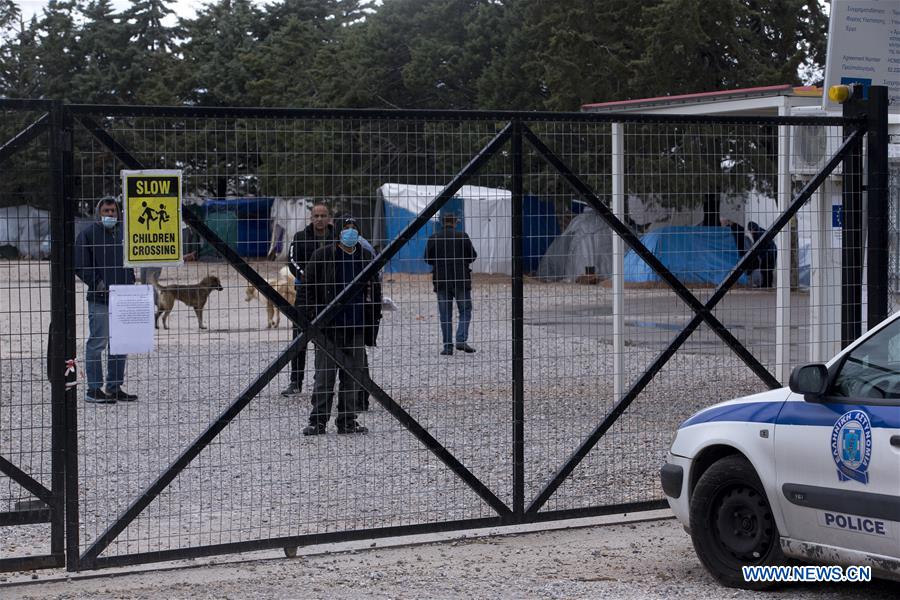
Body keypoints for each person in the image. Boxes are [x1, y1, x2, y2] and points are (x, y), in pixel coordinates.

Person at [298, 217, 381, 435]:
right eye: (346, 228)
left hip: (356, 326)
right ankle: (318, 421)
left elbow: (374, 289)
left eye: (354, 228)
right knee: (324, 377)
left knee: (352, 377)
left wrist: (373, 317)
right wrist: (311, 316)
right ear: (338, 231)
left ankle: (347, 420)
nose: (350, 232)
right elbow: (306, 287)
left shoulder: (365, 257)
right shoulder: (323, 256)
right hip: (328, 328)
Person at [74, 197, 137, 404]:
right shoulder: (88, 234)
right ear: (98, 213)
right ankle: (93, 389)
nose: (110, 214)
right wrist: (99, 284)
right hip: (100, 298)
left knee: (120, 343)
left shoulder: (124, 234)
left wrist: (131, 280)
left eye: (113, 211)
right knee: (98, 342)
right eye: (106, 211)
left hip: (123, 298)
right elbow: (80, 265)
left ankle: (114, 387)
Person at [282, 202, 336, 397]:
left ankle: (322, 381)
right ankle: (295, 381)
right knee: (299, 338)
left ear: (329, 218)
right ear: (311, 218)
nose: (319, 219)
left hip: (331, 296)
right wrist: (308, 277)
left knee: (327, 339)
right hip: (305, 295)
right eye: (316, 216)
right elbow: (292, 262)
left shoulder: (336, 238)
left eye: (323, 215)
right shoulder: (300, 237)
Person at [424, 212, 477, 356]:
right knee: (465, 310)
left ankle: (447, 347)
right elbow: (473, 256)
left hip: (441, 280)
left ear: (442, 223)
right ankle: (461, 339)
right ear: (455, 222)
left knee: (445, 315)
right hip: (461, 279)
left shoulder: (434, 238)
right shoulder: (463, 236)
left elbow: (427, 259)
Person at [747, 221, 777, 288]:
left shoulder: (758, 233)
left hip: (769, 252)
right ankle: (766, 284)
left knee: (766, 269)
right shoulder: (759, 231)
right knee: (766, 269)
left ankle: (767, 285)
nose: (751, 232)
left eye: (751, 230)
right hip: (770, 251)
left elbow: (758, 246)